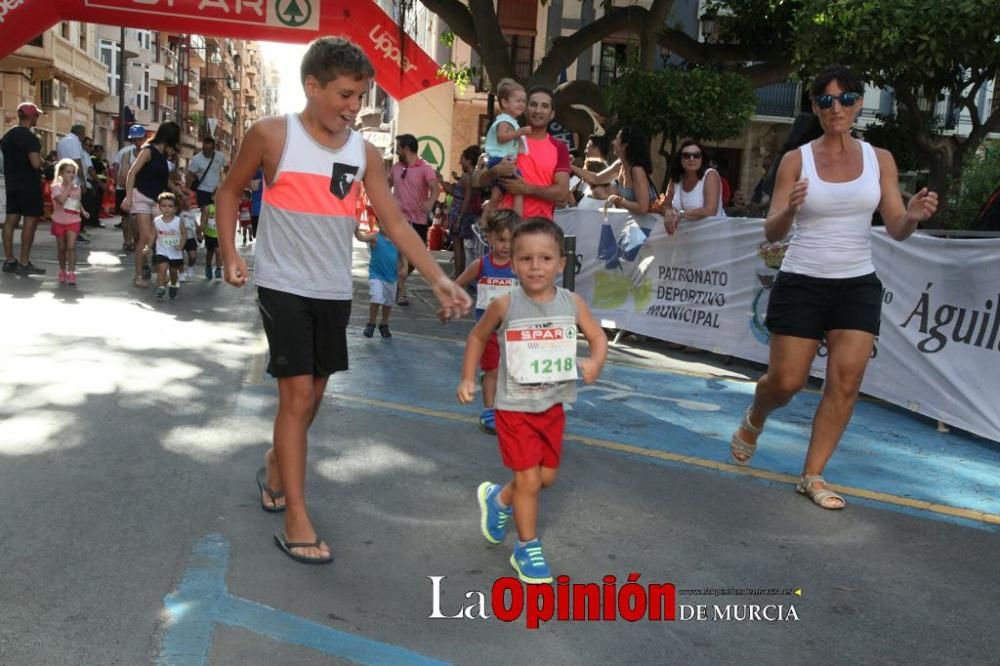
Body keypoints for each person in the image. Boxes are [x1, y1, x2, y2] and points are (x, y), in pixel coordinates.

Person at [213, 36, 472, 565]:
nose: (355, 107)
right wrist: (228, 253)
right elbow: (228, 190)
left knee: (313, 398)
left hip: (334, 290)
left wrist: (436, 279)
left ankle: (274, 463)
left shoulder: (364, 152)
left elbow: (395, 221)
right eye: (347, 95)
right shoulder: (271, 134)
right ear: (313, 87)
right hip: (282, 285)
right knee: (297, 397)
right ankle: (296, 519)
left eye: (361, 96)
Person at [729, 64, 938, 510]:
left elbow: (897, 226)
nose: (836, 108)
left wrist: (914, 215)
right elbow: (772, 230)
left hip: (856, 283)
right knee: (785, 382)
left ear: (859, 103)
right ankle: (756, 414)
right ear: (815, 107)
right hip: (802, 279)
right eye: (826, 100)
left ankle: (813, 474)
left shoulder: (878, 159)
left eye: (845, 99)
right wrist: (791, 209)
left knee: (845, 381)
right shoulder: (796, 160)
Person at [457, 218, 607, 583]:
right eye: (526, 258)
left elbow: (597, 336)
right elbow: (477, 337)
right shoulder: (505, 305)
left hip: (552, 406)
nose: (535, 266)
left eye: (544, 258)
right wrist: (467, 377)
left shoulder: (572, 303)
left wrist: (595, 361)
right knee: (528, 479)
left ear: (561, 263)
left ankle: (498, 500)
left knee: (545, 478)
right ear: (513, 263)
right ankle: (526, 547)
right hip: (514, 409)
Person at [454, 208, 519, 433]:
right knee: (491, 371)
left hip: (515, 332)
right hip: (489, 331)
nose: (506, 246)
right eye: (501, 240)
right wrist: (453, 298)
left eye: (512, 241)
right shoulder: (481, 264)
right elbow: (458, 283)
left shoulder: (520, 267)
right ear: (489, 237)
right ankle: (490, 410)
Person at [482, 86, 571, 222]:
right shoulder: (506, 137)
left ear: (552, 114)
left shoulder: (559, 148)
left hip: (539, 228)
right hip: (502, 228)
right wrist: (494, 171)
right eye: (533, 104)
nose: (538, 110)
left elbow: (562, 193)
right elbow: (477, 181)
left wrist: (527, 189)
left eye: (545, 106)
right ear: (525, 109)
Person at [122, 121, 181, 288]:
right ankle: (138, 275)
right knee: (146, 237)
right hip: (141, 196)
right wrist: (128, 197)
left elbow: (164, 179)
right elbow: (132, 172)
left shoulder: (163, 156)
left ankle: (158, 268)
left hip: (156, 199)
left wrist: (178, 191)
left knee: (160, 236)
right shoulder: (148, 151)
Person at [389, 133, 440, 305]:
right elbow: (384, 184)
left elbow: (435, 188)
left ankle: (398, 281)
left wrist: (430, 201)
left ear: (406, 148)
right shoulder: (396, 167)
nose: (396, 151)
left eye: (398, 147)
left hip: (418, 219)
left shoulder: (425, 168)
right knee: (401, 254)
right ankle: (401, 291)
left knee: (415, 259)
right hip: (399, 219)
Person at [1, 102, 46, 276]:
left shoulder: (8, 136)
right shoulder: (30, 138)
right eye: (37, 115)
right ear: (32, 116)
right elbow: (35, 163)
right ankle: (24, 262)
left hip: (12, 185)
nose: (37, 118)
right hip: (29, 186)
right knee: (30, 221)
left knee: (10, 221)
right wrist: (43, 162)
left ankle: (9, 260)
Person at [571, 126, 656, 215]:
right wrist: (569, 166)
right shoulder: (619, 165)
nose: (613, 142)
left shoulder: (637, 170)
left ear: (625, 146)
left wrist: (617, 200)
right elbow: (596, 178)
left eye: (617, 139)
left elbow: (643, 207)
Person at [483, 78, 531, 217]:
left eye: (523, 101)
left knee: (496, 197)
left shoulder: (509, 120)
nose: (522, 104)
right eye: (518, 101)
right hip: (500, 160)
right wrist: (519, 132)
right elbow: (501, 137)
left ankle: (484, 222)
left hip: (501, 159)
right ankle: (517, 220)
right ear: (504, 102)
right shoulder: (505, 120)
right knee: (519, 186)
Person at [662, 139, 727, 234]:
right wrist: (667, 212)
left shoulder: (710, 175)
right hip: (686, 237)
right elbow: (665, 204)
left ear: (702, 159)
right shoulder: (676, 178)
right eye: (686, 155)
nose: (691, 159)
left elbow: (710, 210)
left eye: (696, 155)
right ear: (680, 159)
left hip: (712, 235)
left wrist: (681, 214)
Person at [355, 218, 400, 338]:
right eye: (382, 222)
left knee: (388, 302)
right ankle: (371, 323)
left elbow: (404, 254)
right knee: (377, 297)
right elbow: (361, 237)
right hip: (377, 275)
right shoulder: (375, 237)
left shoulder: (397, 240)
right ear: (378, 224)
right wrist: (356, 229)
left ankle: (384, 324)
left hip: (391, 277)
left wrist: (404, 267)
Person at [50, 158, 89, 285]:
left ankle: (72, 273)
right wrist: (67, 187)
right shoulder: (56, 187)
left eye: (73, 172)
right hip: (59, 220)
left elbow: (77, 201)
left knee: (71, 247)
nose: (71, 175)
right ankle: (62, 270)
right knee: (62, 249)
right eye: (68, 172)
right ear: (61, 173)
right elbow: (61, 200)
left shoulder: (76, 188)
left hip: (74, 221)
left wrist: (83, 211)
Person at [446, 145, 481, 278]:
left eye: (462, 158)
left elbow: (466, 197)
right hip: (465, 212)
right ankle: (460, 275)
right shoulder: (474, 176)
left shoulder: (467, 176)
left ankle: (459, 276)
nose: (460, 161)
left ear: (468, 160)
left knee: (458, 247)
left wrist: (459, 218)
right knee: (460, 247)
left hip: (460, 212)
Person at [114, 125, 146, 252]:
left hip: (140, 189)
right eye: (135, 139)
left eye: (140, 139)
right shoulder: (125, 152)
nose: (137, 142)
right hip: (125, 188)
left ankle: (135, 240)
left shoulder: (148, 152)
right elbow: (118, 169)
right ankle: (127, 241)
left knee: (136, 217)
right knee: (126, 216)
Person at [151, 191, 186, 301]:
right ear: (159, 207)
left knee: (173, 272)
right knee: (162, 268)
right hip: (162, 250)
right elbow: (153, 235)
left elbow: (184, 234)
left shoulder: (178, 221)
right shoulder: (157, 221)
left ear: (175, 208)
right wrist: (148, 246)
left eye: (170, 206)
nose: (167, 208)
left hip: (175, 252)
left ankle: (173, 285)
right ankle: (161, 287)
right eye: (164, 206)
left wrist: (181, 244)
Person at [188, 136, 226, 232]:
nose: (207, 152)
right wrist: (187, 191)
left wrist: (226, 181)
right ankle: (203, 232)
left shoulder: (220, 156)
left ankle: (213, 232)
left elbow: (226, 168)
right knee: (205, 212)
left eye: (209, 149)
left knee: (215, 213)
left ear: (214, 149)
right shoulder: (196, 159)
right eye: (205, 149)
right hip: (202, 190)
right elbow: (191, 175)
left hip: (216, 190)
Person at [199, 201, 221, 279]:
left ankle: (218, 269)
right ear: (212, 197)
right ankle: (208, 266)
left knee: (219, 251)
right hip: (209, 234)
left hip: (219, 235)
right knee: (210, 252)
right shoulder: (208, 208)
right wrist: (199, 232)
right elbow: (203, 221)